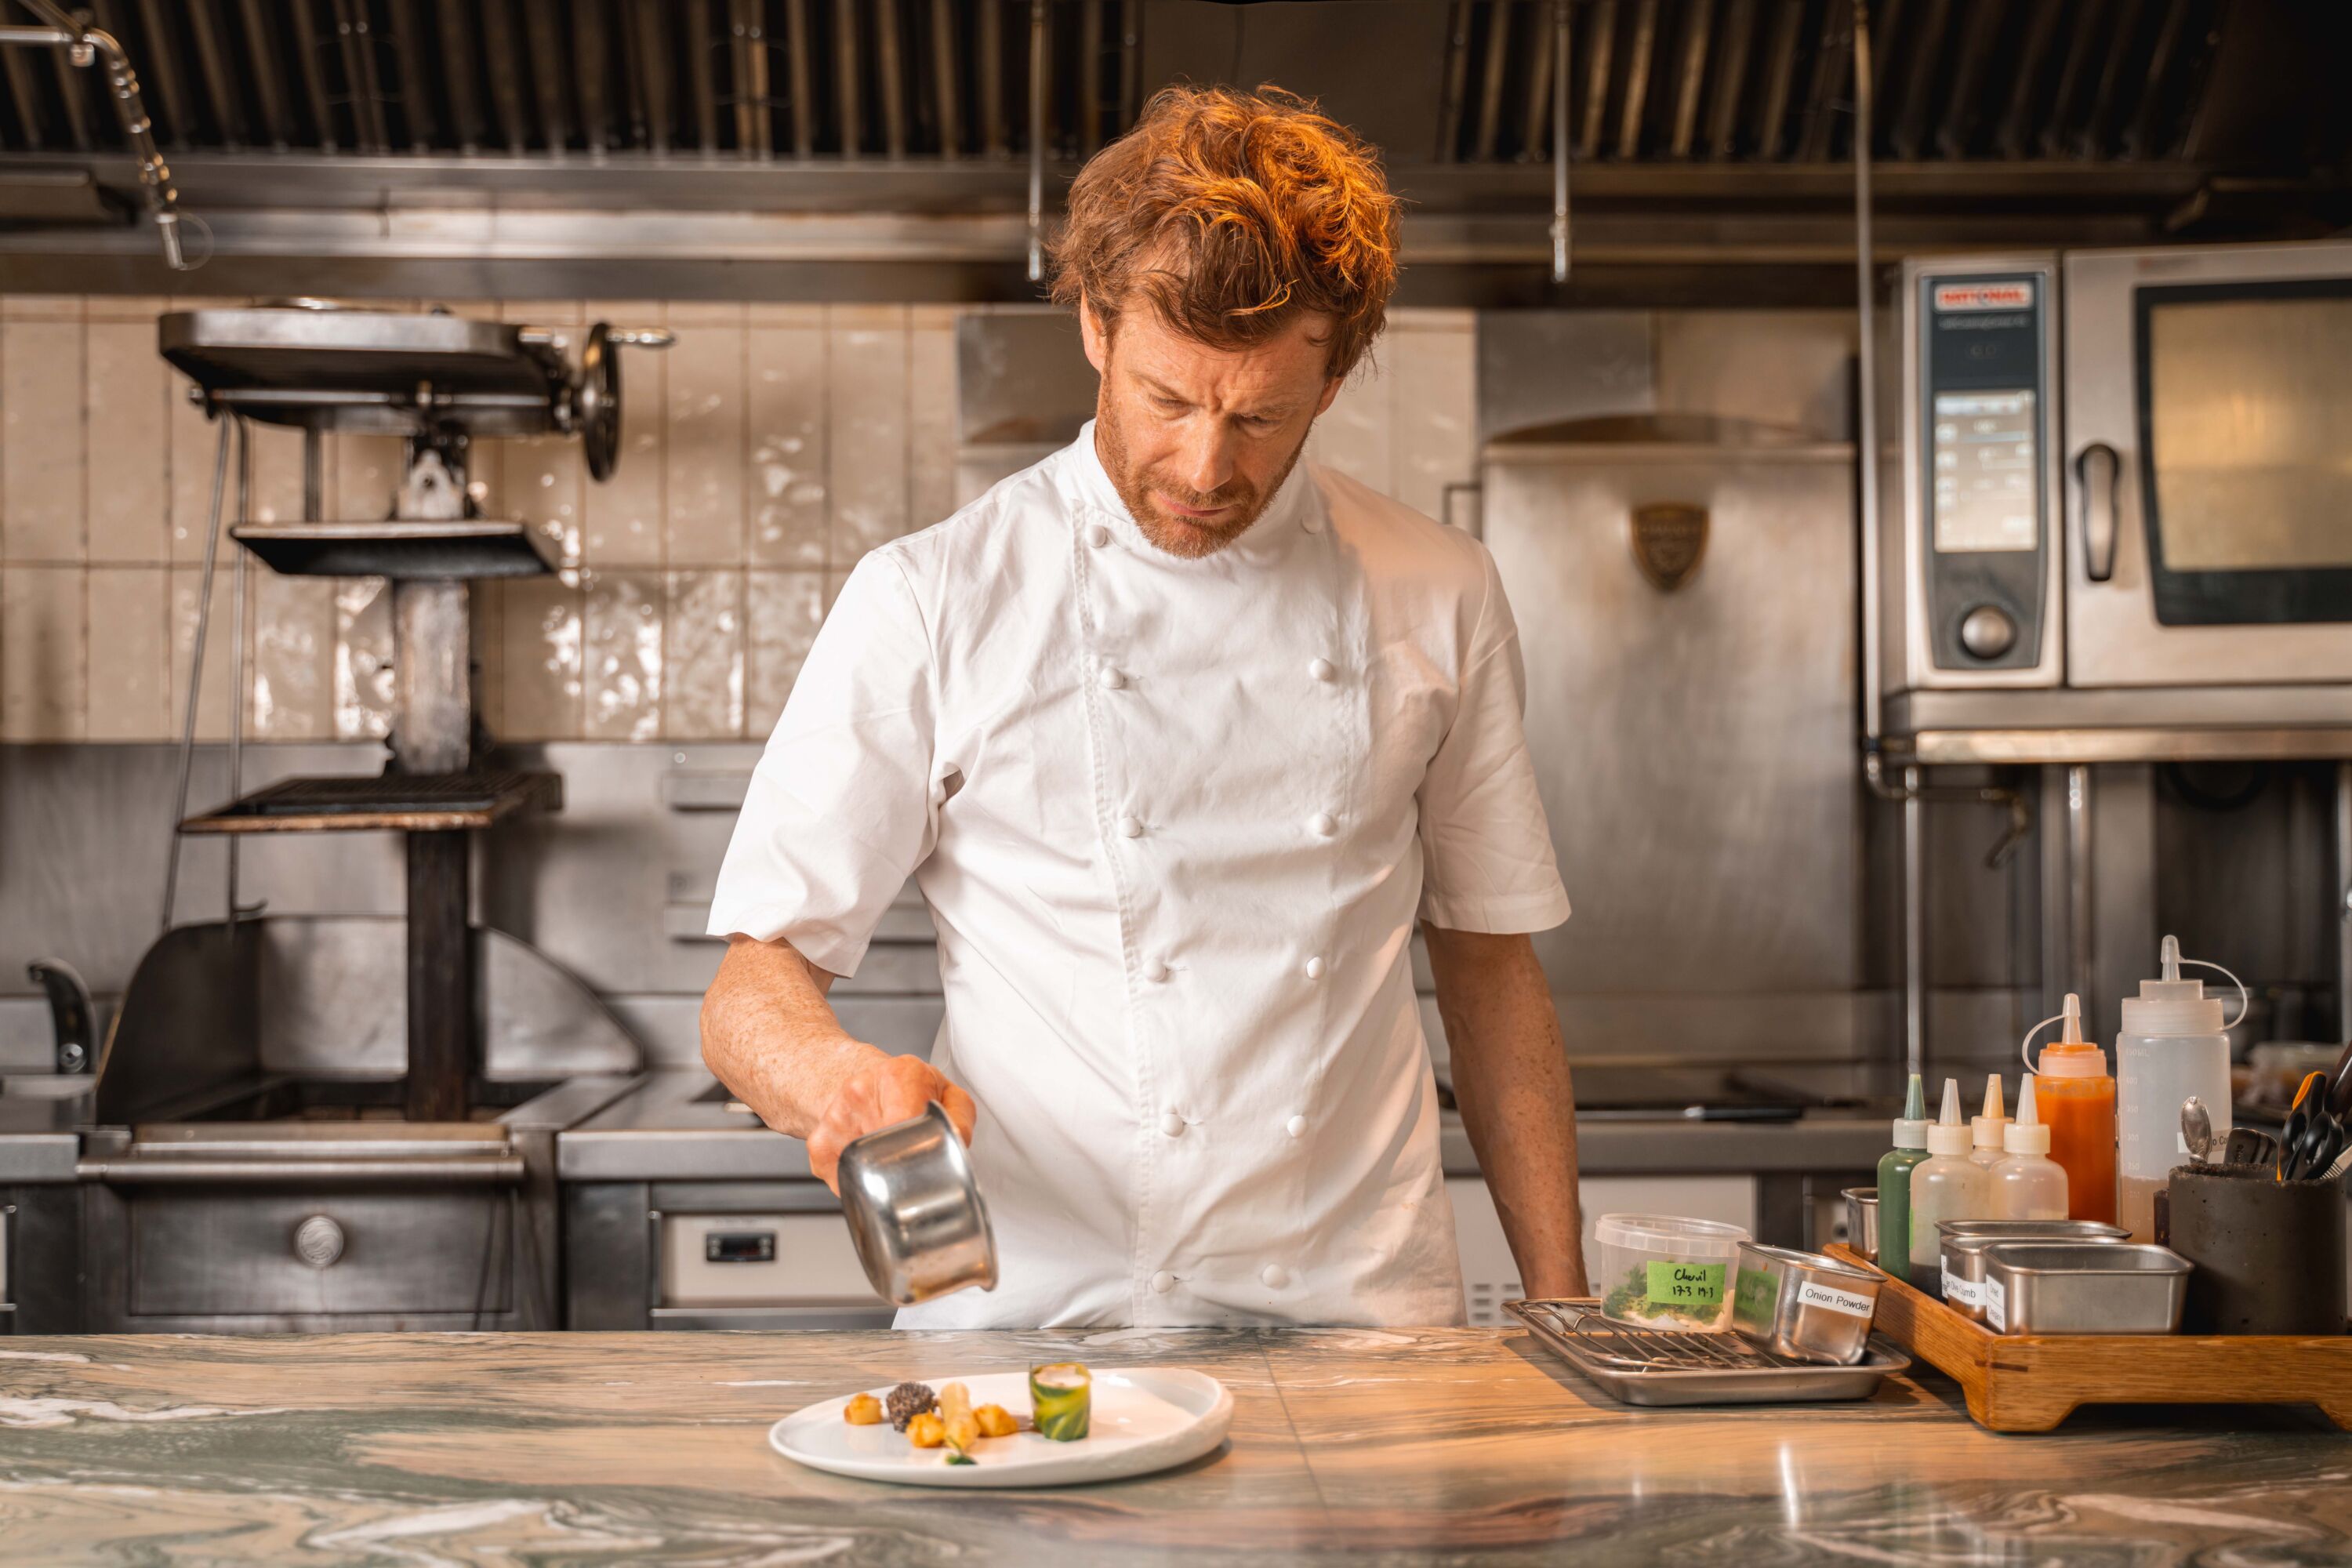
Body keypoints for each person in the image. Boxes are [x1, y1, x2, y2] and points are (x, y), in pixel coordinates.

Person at [702, 83, 1586, 1328]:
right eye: (1169, 401)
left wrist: (1566, 1310)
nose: (1207, 468)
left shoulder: (1439, 590)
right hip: (1025, 1314)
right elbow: (753, 984)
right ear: (1095, 329)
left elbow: (1491, 968)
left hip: (1352, 1312)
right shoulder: (935, 594)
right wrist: (834, 1081)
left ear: (1334, 380)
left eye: (1261, 416)